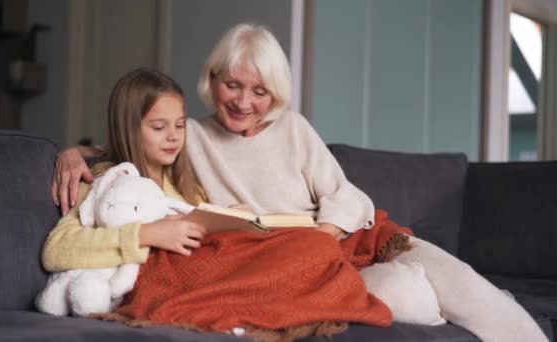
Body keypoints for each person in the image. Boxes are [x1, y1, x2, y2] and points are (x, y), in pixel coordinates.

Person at [51, 24, 547, 341]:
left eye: (259, 90)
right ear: (212, 79)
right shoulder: (191, 135)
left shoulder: (293, 129)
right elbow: (135, 145)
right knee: (408, 295)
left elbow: (347, 196)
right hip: (291, 260)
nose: (244, 102)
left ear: (275, 93)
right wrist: (72, 152)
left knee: (464, 283)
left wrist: (325, 235)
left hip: (350, 237)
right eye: (233, 85)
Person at [42, 68, 208, 273]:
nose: (173, 136)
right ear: (129, 130)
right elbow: (56, 251)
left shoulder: (188, 189)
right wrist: (145, 234)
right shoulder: (108, 183)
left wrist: (233, 221)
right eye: (158, 127)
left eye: (180, 125)